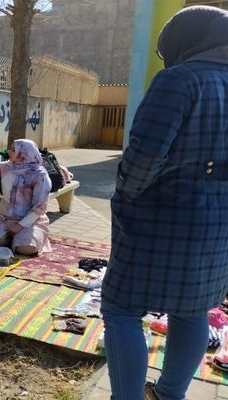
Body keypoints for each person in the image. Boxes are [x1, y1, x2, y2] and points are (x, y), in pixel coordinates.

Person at [101, 6, 228, 400]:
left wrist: (124, 194)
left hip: (161, 222)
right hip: (219, 227)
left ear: (184, 42)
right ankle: (169, 394)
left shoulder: (179, 80)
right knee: (192, 309)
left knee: (121, 308)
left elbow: (143, 158)